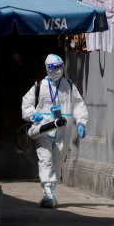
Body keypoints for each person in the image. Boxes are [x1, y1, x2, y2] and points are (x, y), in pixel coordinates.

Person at [21, 54, 88, 208]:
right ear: (48, 69)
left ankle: (49, 192)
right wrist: (33, 114)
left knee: (58, 160)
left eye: (60, 67)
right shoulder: (39, 86)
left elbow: (78, 104)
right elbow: (26, 103)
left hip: (64, 129)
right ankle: (47, 189)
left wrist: (81, 122)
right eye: (54, 68)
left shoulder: (68, 85)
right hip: (44, 127)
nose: (58, 70)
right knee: (45, 159)